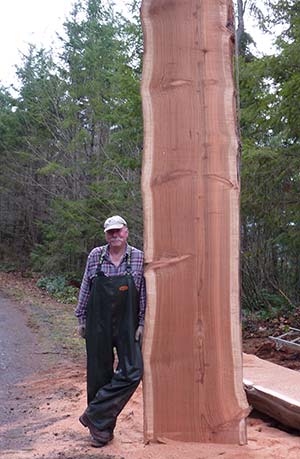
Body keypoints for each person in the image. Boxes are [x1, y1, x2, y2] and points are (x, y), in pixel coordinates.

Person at [75, 215, 145, 447]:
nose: (114, 235)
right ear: (106, 234)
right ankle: (101, 431)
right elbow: (86, 285)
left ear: (126, 232)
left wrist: (142, 323)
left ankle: (94, 414)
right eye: (110, 232)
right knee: (99, 374)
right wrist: (81, 318)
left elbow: (143, 293)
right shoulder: (96, 255)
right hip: (97, 323)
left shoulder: (137, 257)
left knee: (133, 371)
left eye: (118, 231)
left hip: (128, 323)